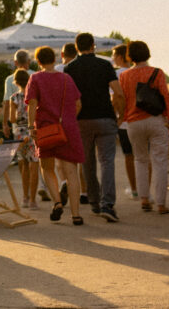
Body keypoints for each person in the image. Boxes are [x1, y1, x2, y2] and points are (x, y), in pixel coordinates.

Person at [63, 32, 124, 222]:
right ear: (93, 46)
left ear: (76, 46)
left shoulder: (69, 68)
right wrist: (120, 116)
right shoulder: (105, 65)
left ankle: (94, 202)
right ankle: (108, 204)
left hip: (81, 120)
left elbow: (68, 98)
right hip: (105, 117)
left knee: (87, 162)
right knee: (107, 161)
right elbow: (119, 93)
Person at [26, 45, 86, 225]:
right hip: (67, 128)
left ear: (38, 61)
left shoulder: (35, 78)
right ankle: (76, 215)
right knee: (71, 172)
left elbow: (32, 103)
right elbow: (78, 105)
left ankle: (57, 202)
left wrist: (31, 127)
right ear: (55, 59)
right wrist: (67, 119)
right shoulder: (67, 79)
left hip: (45, 128)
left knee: (47, 167)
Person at [118, 40, 169, 214]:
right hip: (155, 120)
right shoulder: (157, 73)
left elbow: (123, 99)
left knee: (140, 159)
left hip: (134, 122)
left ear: (130, 56)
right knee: (160, 161)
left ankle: (144, 199)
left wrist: (123, 117)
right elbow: (165, 97)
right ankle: (161, 203)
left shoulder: (124, 76)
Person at [6, 69, 40, 209]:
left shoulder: (13, 98)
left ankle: (24, 198)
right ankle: (33, 200)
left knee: (23, 165)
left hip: (19, 133)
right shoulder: (34, 95)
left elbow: (12, 118)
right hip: (33, 131)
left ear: (16, 82)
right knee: (34, 166)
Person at [111, 44, 138, 199]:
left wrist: (117, 116)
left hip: (125, 121)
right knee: (143, 156)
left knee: (129, 155)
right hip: (140, 117)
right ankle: (144, 188)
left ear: (120, 56)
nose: (113, 58)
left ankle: (134, 189)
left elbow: (115, 97)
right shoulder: (137, 72)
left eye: (114, 55)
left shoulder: (117, 74)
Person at [3, 50, 34, 139]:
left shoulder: (9, 80)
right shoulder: (35, 75)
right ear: (29, 61)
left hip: (18, 130)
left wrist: (5, 124)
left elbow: (6, 103)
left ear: (15, 62)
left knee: (20, 152)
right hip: (34, 127)